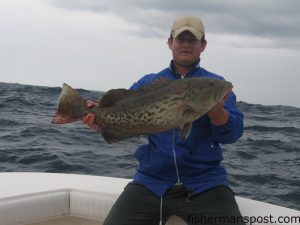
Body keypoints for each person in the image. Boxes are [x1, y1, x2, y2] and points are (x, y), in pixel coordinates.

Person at [82, 15, 245, 225]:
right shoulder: (148, 82)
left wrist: (216, 111)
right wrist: (98, 119)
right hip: (151, 181)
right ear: (170, 42)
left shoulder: (216, 84)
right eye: (180, 39)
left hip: (206, 183)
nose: (186, 44)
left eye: (193, 40)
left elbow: (232, 134)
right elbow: (121, 118)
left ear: (203, 45)